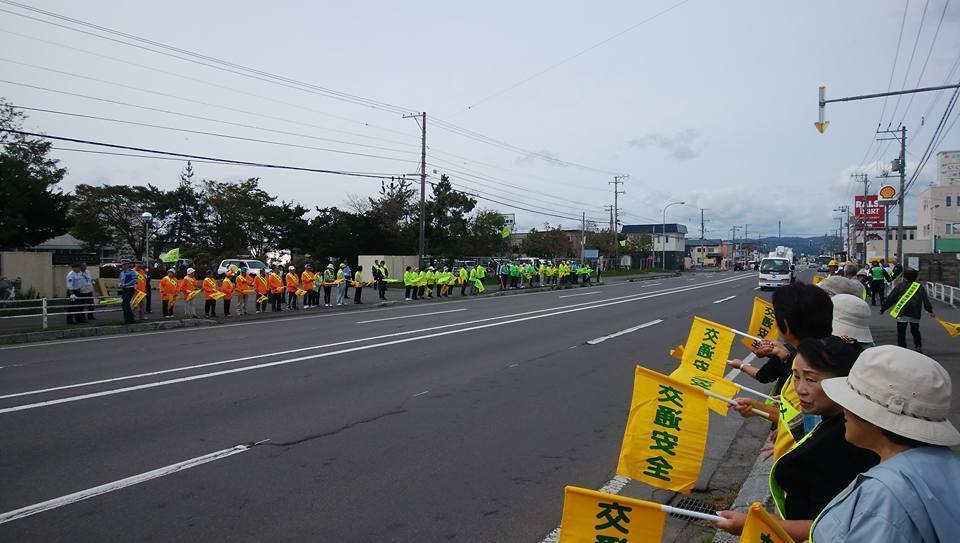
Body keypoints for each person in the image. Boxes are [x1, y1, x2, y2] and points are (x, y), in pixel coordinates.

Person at [716, 337, 879, 541]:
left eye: (810, 379)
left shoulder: (845, 439)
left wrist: (752, 523)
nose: (800, 388)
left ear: (844, 381)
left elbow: (827, 526)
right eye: (795, 376)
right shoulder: (830, 417)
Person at [811, 346, 960, 542]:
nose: (844, 409)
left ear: (873, 416)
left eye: (851, 401)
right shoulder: (946, 464)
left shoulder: (884, 497)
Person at [730, 282, 834, 459]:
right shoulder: (830, 353)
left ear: (785, 324)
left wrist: (758, 407)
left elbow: (808, 424)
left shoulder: (807, 369)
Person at [880, 267, 935, 352]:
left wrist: (883, 308)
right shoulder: (919, 287)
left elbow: (891, 298)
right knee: (915, 331)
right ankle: (918, 346)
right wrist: (930, 310)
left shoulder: (900, 286)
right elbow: (925, 300)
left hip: (902, 312)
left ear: (904, 277)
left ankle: (902, 348)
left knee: (901, 332)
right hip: (915, 312)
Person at [117, 259, 138, 324]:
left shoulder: (132, 272)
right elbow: (120, 280)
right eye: (123, 265)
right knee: (124, 305)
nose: (124, 266)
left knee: (125, 303)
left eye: (125, 265)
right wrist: (119, 284)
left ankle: (130, 319)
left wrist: (126, 284)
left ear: (128, 265)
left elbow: (134, 281)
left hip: (129, 289)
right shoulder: (122, 273)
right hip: (124, 289)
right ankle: (127, 319)